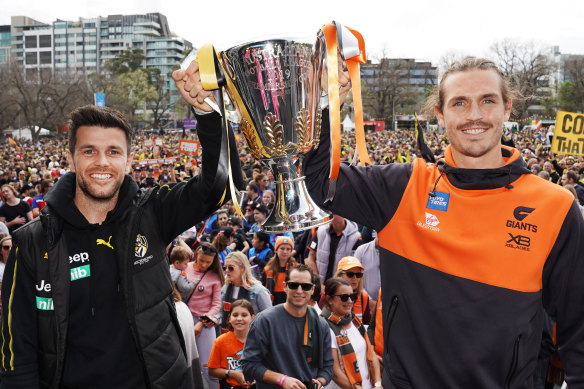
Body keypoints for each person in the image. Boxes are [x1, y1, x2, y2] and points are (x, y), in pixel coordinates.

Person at [301, 56, 584, 387]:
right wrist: (325, 99)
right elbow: (322, 182)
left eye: (487, 101)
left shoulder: (556, 206)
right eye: (459, 103)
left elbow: (577, 323)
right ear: (440, 114)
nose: (474, 115)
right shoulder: (403, 188)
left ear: (507, 108)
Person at [0, 102, 233, 388]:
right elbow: (16, 354)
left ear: (128, 160)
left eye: (113, 151)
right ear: (71, 160)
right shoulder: (31, 242)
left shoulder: (153, 213)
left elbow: (220, 186)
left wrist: (207, 111)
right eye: (89, 151)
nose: (102, 162)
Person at [241, 264, 334, 389]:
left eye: (305, 286)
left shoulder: (321, 324)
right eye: (293, 285)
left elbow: (327, 366)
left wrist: (319, 381)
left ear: (312, 289)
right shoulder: (265, 321)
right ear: (285, 286)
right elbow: (249, 364)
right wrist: (281, 379)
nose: (299, 291)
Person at [321, 278, 382, 389]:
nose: (350, 301)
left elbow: (371, 353)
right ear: (329, 299)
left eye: (353, 296)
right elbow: (335, 373)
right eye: (344, 297)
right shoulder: (325, 327)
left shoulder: (355, 321)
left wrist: (378, 384)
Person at [185, 242, 225, 389]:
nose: (204, 264)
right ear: (196, 255)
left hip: (205, 323)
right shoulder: (185, 267)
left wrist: (202, 322)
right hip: (184, 319)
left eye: (208, 262)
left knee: (208, 365)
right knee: (185, 362)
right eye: (201, 260)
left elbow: (216, 305)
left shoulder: (214, 276)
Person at [209, 299, 256, 389]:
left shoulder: (260, 340)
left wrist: (258, 377)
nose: (239, 318)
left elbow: (268, 368)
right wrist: (231, 373)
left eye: (244, 315)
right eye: (235, 315)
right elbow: (211, 370)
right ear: (230, 318)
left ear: (252, 318)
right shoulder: (220, 341)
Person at [221, 251, 272, 332]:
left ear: (243, 268)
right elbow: (221, 313)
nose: (226, 271)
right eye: (225, 268)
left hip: (253, 338)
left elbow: (269, 318)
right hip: (228, 337)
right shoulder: (225, 288)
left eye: (231, 268)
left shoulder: (259, 290)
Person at [305, 214, 362, 284]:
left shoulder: (356, 237)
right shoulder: (321, 231)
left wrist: (340, 287)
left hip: (341, 288)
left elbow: (356, 268)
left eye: (335, 212)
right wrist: (318, 283)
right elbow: (310, 258)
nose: (331, 215)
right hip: (320, 285)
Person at [264, 236, 297, 305]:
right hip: (273, 304)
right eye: (282, 248)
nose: (285, 252)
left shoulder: (296, 269)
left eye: (288, 249)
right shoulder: (267, 269)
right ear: (276, 250)